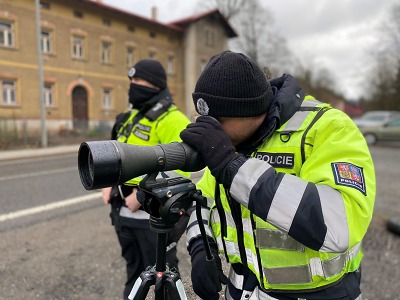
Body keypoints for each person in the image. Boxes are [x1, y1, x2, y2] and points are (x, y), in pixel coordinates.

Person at [180, 50, 376, 300]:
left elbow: (339, 225)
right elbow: (204, 201)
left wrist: (233, 167)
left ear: (249, 110)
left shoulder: (330, 128)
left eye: (219, 120)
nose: (212, 129)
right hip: (244, 292)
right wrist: (200, 247)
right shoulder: (235, 143)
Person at [102, 59, 191, 300]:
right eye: (131, 81)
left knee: (164, 280)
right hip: (123, 215)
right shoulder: (131, 117)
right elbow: (117, 156)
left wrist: (141, 197)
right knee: (134, 275)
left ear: (155, 84)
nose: (133, 86)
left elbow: (183, 169)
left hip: (152, 219)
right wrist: (110, 186)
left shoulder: (173, 120)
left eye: (139, 81)